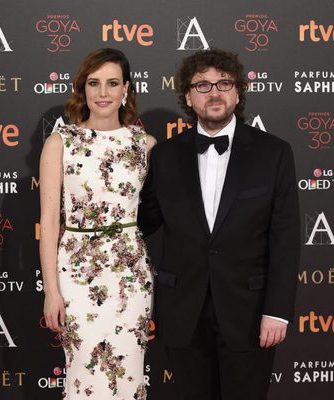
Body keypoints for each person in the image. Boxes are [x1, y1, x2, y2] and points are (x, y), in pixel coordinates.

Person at [138, 48, 300, 400]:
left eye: (223, 83)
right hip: (183, 312)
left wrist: (277, 311)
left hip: (250, 313)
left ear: (238, 91)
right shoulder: (164, 156)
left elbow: (286, 239)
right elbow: (141, 222)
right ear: (187, 97)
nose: (214, 92)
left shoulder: (274, 153)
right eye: (202, 85)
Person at [39, 48, 156, 399]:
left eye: (112, 83)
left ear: (126, 90)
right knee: (83, 376)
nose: (103, 93)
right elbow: (48, 223)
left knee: (129, 374)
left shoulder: (146, 146)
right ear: (83, 89)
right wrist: (51, 291)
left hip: (131, 277)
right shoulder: (61, 143)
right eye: (94, 83)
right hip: (75, 276)